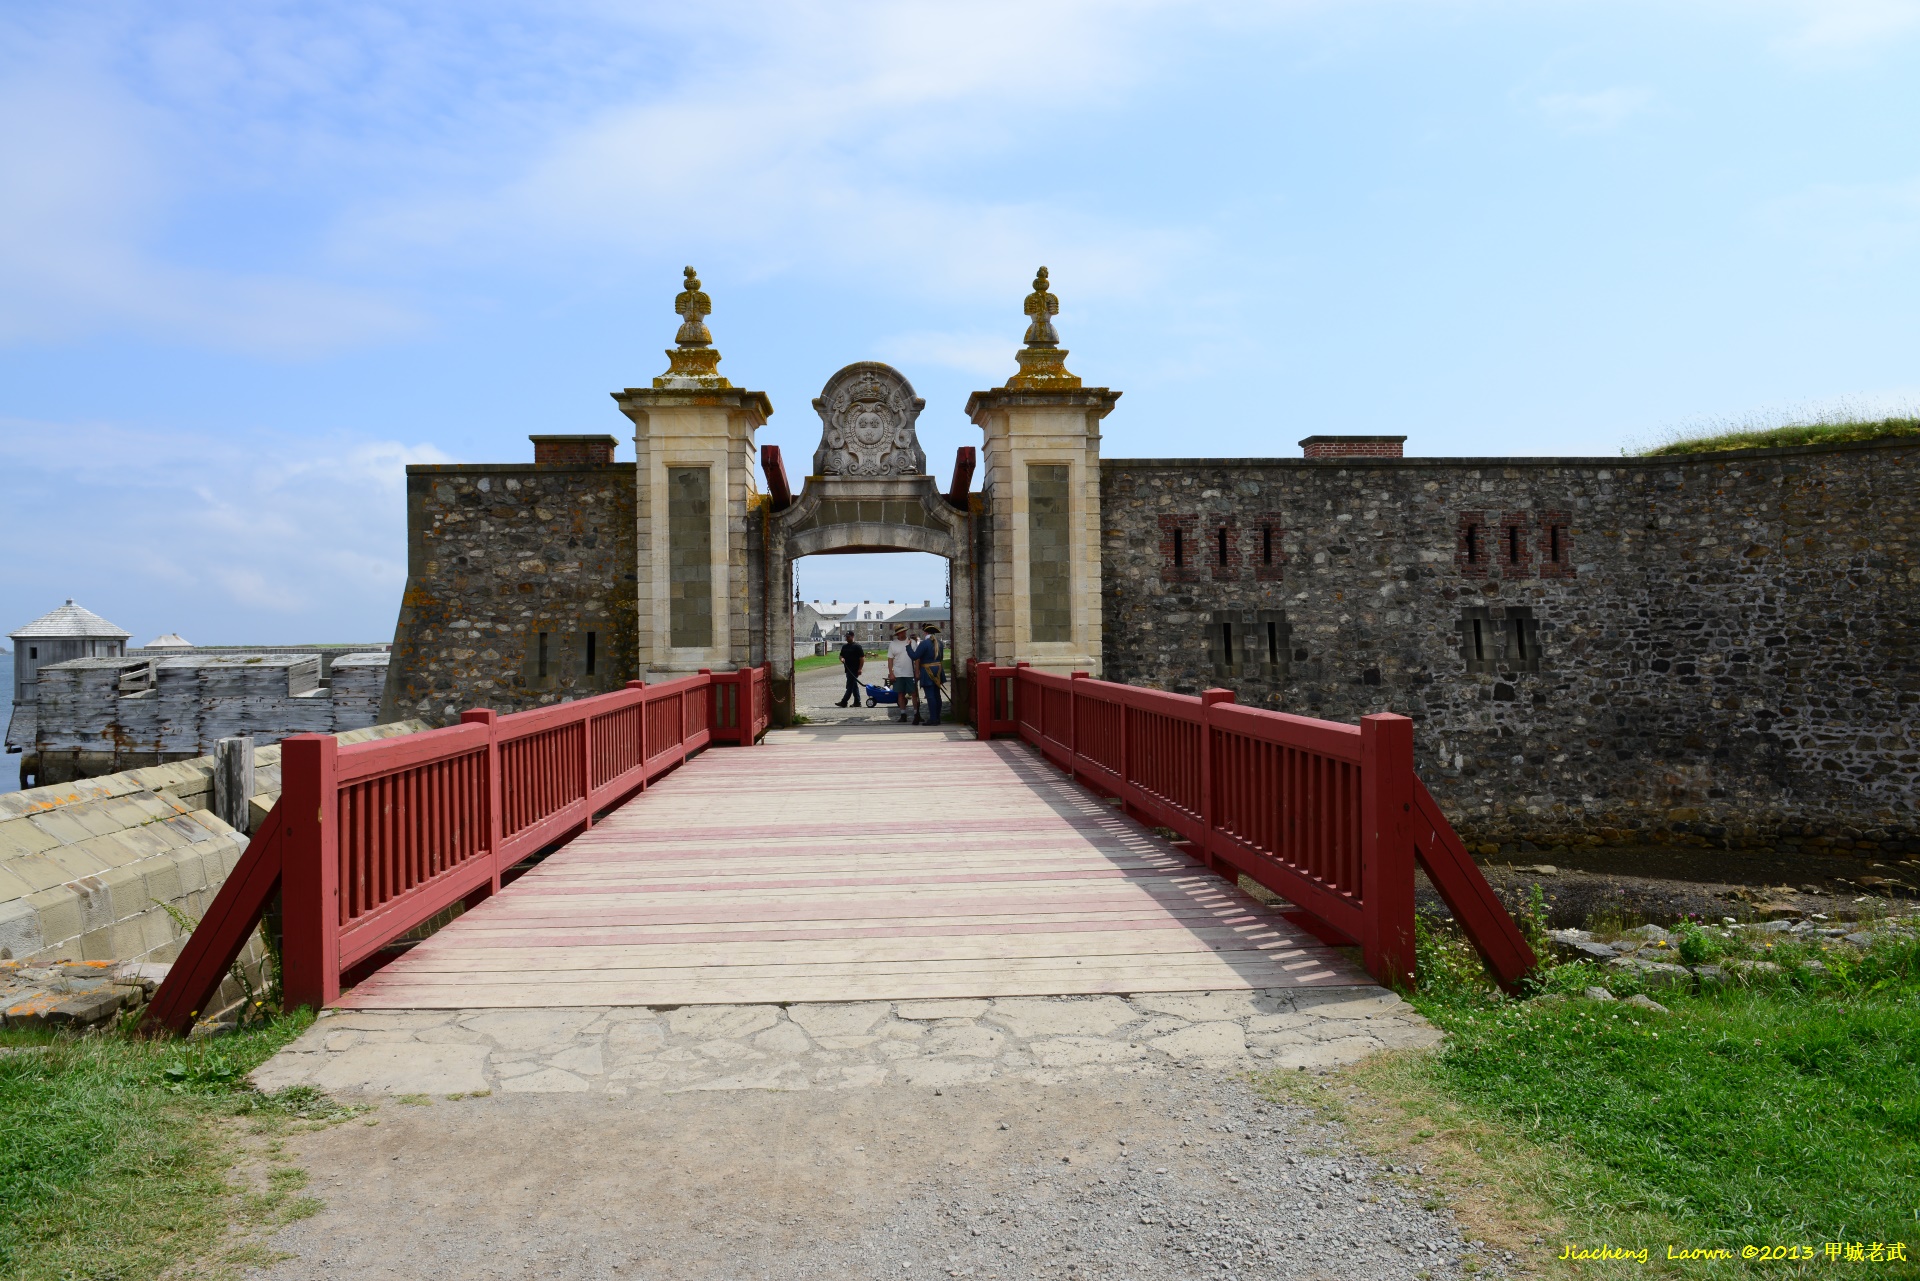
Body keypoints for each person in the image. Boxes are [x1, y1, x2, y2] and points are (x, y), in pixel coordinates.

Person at [885, 624, 921, 724]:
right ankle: (903, 714)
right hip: (898, 673)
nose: (902, 634)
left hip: (910, 672)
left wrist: (917, 671)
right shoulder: (893, 644)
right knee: (900, 694)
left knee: (914, 693)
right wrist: (891, 673)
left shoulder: (912, 642)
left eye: (903, 631)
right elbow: (890, 659)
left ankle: (916, 713)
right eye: (900, 632)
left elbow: (917, 658)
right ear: (897, 634)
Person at [913, 624, 946, 726]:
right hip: (938, 670)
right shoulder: (939, 643)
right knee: (937, 695)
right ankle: (937, 717)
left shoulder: (924, 644)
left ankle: (933, 718)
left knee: (930, 696)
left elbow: (916, 656)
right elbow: (941, 657)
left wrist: (908, 648)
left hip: (927, 671)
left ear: (925, 633)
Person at [834, 629, 865, 707]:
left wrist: (860, 669)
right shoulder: (845, 647)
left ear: (852, 637)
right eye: (846, 637)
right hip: (848, 669)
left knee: (850, 686)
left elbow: (862, 658)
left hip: (854, 669)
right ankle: (857, 702)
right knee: (854, 685)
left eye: (848, 637)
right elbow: (841, 655)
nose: (847, 638)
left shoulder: (857, 646)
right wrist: (841, 659)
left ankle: (844, 702)